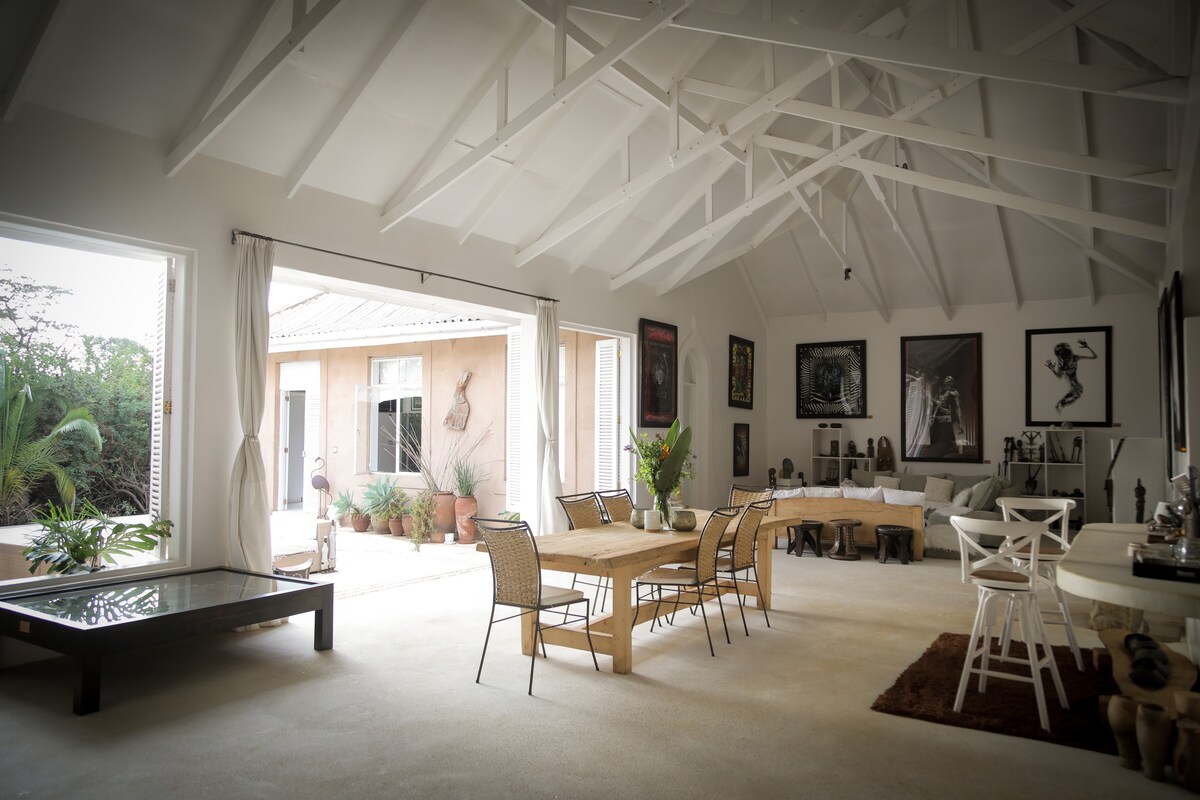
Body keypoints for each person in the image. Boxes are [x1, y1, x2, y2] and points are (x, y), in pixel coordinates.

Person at [1045, 339, 1097, 412]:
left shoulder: (1075, 358)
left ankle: (1062, 403)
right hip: (1072, 382)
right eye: (1066, 358)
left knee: (1077, 391)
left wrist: (1088, 347)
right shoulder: (1063, 364)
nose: (1068, 359)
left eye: (1069, 357)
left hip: (1074, 383)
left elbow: (1094, 356)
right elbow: (1059, 376)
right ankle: (1062, 404)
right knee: (1076, 391)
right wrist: (1052, 369)